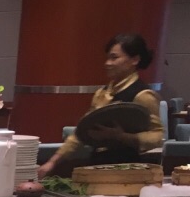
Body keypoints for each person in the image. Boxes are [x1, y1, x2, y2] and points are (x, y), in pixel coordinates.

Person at [38, 33, 165, 178]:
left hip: (127, 171)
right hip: (96, 164)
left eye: (114, 58)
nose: (107, 63)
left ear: (135, 60)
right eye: (108, 58)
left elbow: (157, 136)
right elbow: (80, 132)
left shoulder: (143, 95)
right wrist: (52, 162)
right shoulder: (102, 93)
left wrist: (123, 137)